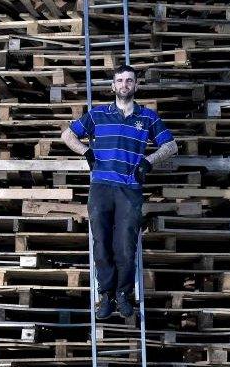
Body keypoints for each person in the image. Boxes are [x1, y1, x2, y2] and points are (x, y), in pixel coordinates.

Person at [61, 64, 179, 319]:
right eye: (119, 81)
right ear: (112, 86)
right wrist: (86, 152)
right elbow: (67, 135)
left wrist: (148, 162)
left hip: (130, 189)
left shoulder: (148, 117)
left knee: (125, 245)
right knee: (101, 242)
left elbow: (171, 146)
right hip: (101, 187)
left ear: (136, 86)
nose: (124, 85)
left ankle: (124, 294)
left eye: (129, 80)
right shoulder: (97, 115)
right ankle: (107, 296)